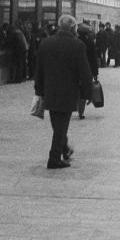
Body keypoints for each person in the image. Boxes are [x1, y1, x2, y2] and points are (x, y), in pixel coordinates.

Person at [34, 15, 93, 169]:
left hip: (50, 91)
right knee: (61, 127)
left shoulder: (45, 43)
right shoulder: (78, 45)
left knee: (58, 126)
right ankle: (54, 158)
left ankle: (64, 149)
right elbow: (84, 72)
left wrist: (39, 89)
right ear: (73, 28)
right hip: (68, 92)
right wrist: (88, 93)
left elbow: (38, 69)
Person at [75, 22, 100, 120]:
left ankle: (77, 107)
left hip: (75, 70)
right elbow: (94, 59)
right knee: (84, 91)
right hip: (87, 70)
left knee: (76, 89)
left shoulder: (74, 41)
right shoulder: (90, 43)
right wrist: (95, 73)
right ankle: (81, 112)